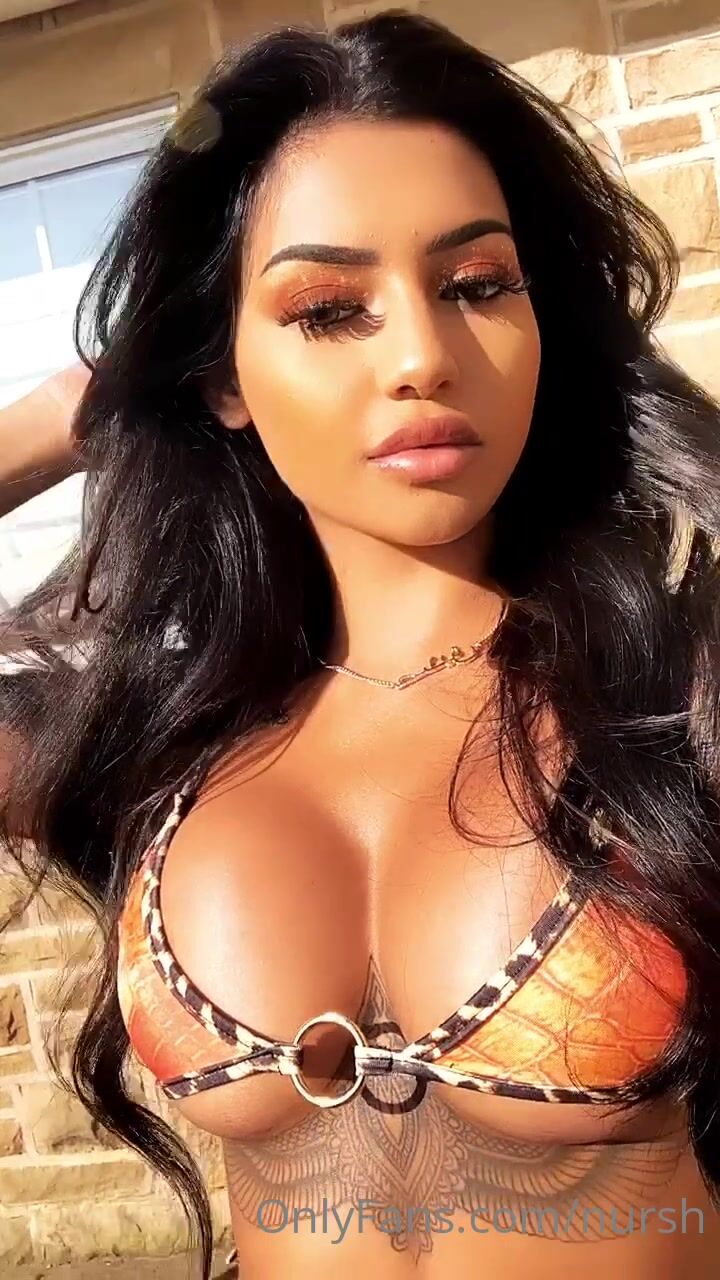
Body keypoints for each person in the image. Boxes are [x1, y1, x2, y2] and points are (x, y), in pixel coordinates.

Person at [2, 7, 720, 1278]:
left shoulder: (677, 692)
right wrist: (68, 410)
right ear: (222, 375)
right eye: (330, 307)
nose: (423, 356)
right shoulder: (152, 736)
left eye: (478, 285)